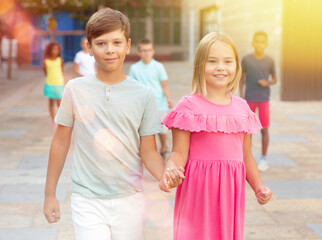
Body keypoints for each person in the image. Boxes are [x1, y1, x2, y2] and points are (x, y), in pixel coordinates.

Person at [43, 8, 182, 240]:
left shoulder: (144, 95)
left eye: (117, 42)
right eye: (101, 43)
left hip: (130, 199)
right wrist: (49, 194)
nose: (110, 50)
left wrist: (164, 175)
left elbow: (148, 151)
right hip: (86, 198)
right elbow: (59, 144)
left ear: (127, 46)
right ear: (89, 47)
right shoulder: (74, 89)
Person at [160, 32, 272, 240]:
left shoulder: (242, 108)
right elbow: (178, 153)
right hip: (198, 192)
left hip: (230, 193)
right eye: (212, 61)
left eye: (227, 61)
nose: (221, 67)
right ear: (200, 65)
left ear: (237, 67)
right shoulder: (188, 107)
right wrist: (171, 168)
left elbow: (246, 156)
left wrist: (259, 186)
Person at [239, 31, 277, 172]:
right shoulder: (247, 59)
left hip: (263, 99)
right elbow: (241, 78)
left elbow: (275, 79)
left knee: (264, 129)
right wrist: (241, 95)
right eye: (257, 42)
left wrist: (268, 83)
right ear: (253, 43)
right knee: (248, 131)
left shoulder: (270, 60)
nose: (260, 45)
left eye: (262, 42)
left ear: (266, 44)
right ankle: (247, 158)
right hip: (249, 98)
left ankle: (263, 159)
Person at [129, 38, 173, 158]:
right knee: (144, 129)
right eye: (143, 50)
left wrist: (169, 99)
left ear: (153, 51)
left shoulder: (159, 67)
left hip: (160, 103)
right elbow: (133, 87)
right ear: (138, 52)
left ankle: (163, 147)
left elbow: (164, 85)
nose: (146, 53)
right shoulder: (134, 68)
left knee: (162, 129)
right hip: (143, 105)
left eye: (148, 50)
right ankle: (145, 151)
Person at [42, 42, 65, 127]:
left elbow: (61, 71)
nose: (56, 51)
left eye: (57, 49)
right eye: (54, 49)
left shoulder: (60, 61)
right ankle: (53, 120)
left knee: (60, 102)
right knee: (51, 102)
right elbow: (46, 73)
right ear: (49, 50)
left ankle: (61, 119)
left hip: (59, 84)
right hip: (50, 84)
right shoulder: (45, 62)